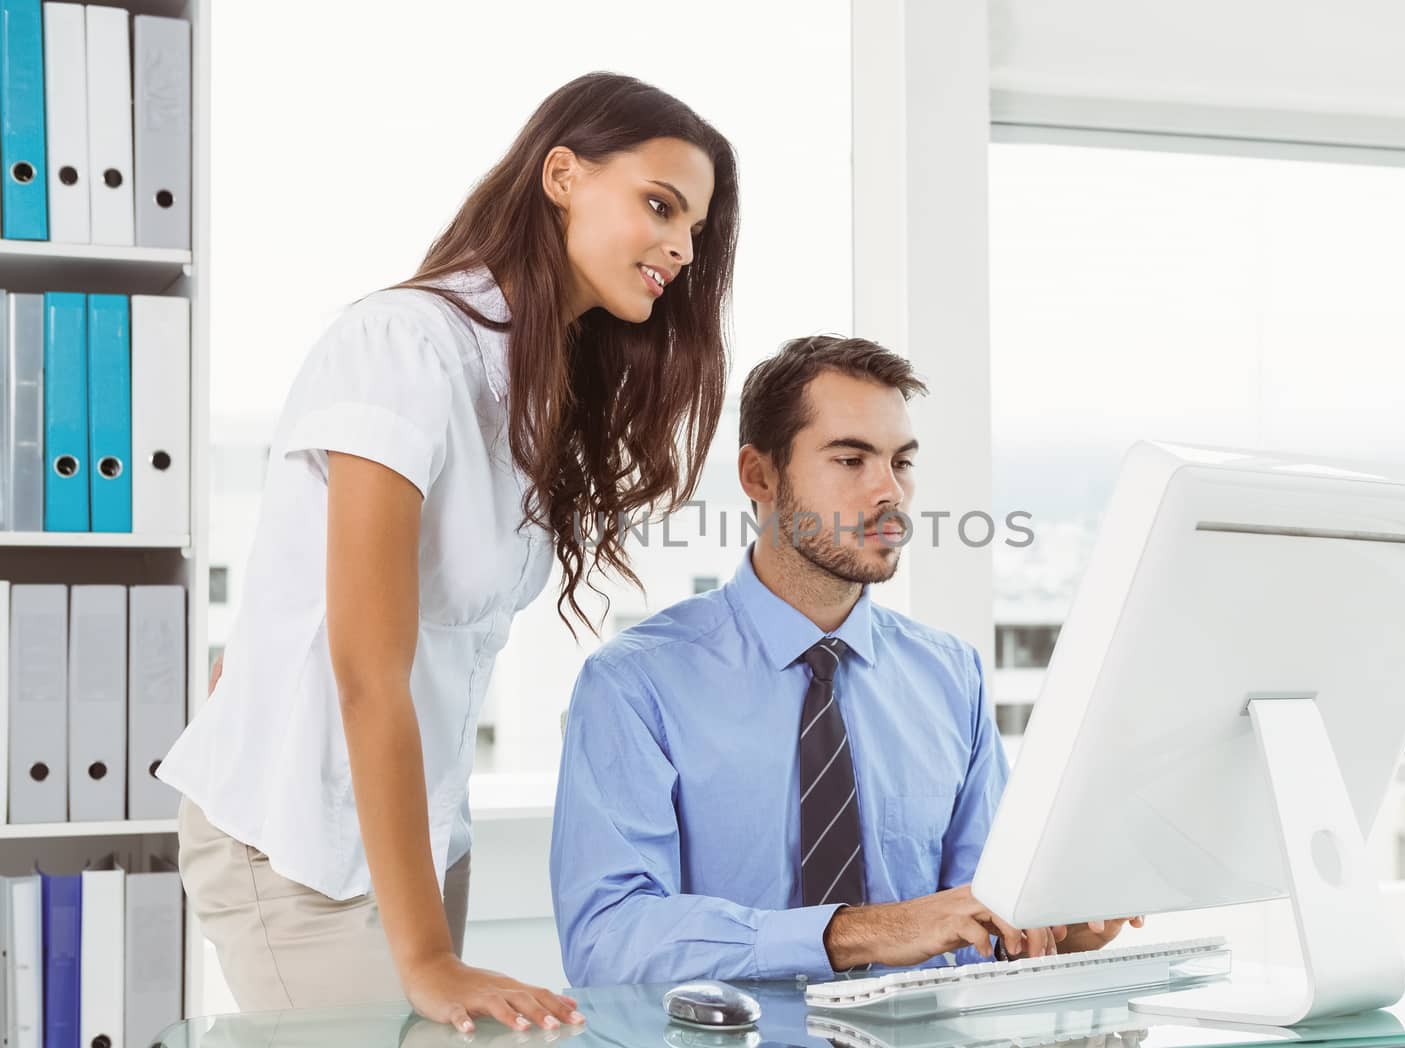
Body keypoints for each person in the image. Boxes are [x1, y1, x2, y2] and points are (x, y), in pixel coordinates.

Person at [158, 72, 738, 1031]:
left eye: (696, 229)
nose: (681, 247)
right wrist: (426, 955)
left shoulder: (533, 389)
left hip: (417, 846)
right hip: (303, 845)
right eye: (659, 204)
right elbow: (366, 671)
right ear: (561, 175)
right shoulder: (404, 345)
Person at [551, 335, 1141, 985]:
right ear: (760, 475)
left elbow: (975, 923)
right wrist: (857, 933)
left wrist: (1053, 930)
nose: (889, 491)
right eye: (851, 459)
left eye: (902, 462)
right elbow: (606, 942)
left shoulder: (952, 677)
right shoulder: (636, 684)